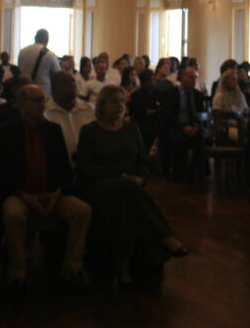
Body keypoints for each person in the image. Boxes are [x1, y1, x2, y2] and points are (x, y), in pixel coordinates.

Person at [75, 85, 186, 287]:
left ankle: (123, 268)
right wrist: (121, 176)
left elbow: (143, 160)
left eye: (122, 102)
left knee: (126, 203)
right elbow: (85, 166)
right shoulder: (90, 131)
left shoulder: (130, 128)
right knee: (127, 190)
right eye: (114, 101)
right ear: (102, 105)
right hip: (100, 186)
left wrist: (140, 178)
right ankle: (165, 236)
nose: (119, 106)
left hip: (129, 188)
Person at [0, 84, 92, 292]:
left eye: (42, 100)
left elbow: (65, 170)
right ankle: (17, 272)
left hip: (53, 193)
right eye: (36, 100)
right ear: (21, 104)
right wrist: (25, 196)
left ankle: (71, 268)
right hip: (19, 194)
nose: (41, 105)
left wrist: (57, 194)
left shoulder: (52, 130)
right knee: (13, 214)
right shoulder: (5, 133)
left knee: (82, 211)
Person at [161, 67, 209, 182]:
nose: (193, 80)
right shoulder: (171, 94)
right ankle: (179, 173)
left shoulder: (197, 95)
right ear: (182, 77)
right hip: (176, 126)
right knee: (178, 140)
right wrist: (183, 127)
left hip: (194, 127)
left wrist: (197, 127)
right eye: (190, 77)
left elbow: (203, 114)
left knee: (204, 139)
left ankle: (193, 171)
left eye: (195, 78)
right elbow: (168, 116)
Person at [17, 29, 61, 95]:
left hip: (25, 91)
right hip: (42, 92)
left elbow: (20, 69)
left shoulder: (22, 51)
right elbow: (58, 75)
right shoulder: (49, 54)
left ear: (35, 38)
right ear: (47, 39)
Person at [129, 69, 162, 154]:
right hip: (143, 126)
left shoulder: (158, 92)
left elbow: (163, 108)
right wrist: (157, 110)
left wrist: (152, 111)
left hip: (157, 124)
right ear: (143, 81)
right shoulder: (137, 95)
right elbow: (140, 114)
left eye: (153, 79)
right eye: (149, 80)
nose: (152, 82)